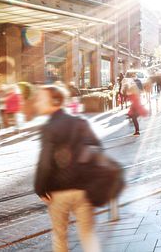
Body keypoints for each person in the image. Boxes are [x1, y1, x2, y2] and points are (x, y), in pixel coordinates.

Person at [34, 85, 100, 252]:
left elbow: (45, 162)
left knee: (60, 236)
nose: (37, 103)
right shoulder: (80, 122)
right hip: (84, 190)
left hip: (59, 192)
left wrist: (40, 188)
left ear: (55, 101)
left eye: (41, 99)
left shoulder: (49, 127)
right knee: (88, 235)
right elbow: (96, 148)